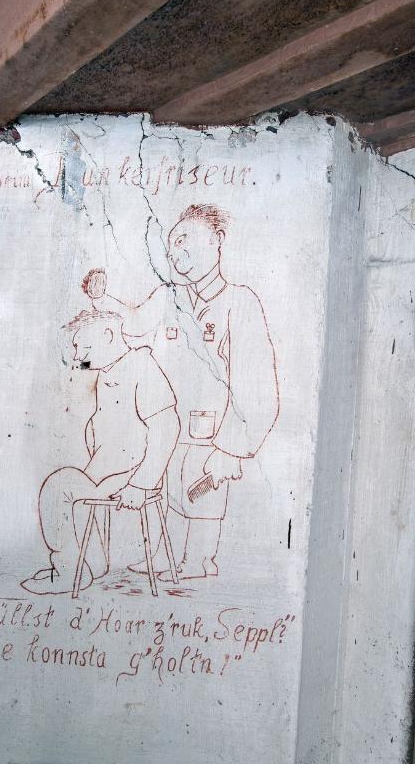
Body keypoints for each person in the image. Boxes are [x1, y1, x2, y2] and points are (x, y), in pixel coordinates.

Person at [86, 204, 279, 580]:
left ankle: (199, 560)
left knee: (201, 495)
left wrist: (234, 447)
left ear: (216, 240)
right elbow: (134, 324)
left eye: (184, 239)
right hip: (170, 424)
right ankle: (166, 556)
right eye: (171, 244)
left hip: (213, 431)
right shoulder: (168, 297)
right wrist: (103, 300)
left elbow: (257, 384)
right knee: (170, 490)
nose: (175, 252)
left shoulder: (239, 302)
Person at [21, 309, 180, 595]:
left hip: (130, 476)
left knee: (58, 489)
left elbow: (167, 427)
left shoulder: (142, 366)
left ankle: (69, 572)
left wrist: (142, 484)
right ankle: (83, 565)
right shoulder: (107, 372)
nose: (78, 356)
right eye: (76, 349)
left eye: (85, 348)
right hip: (107, 470)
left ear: (108, 336)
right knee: (69, 490)